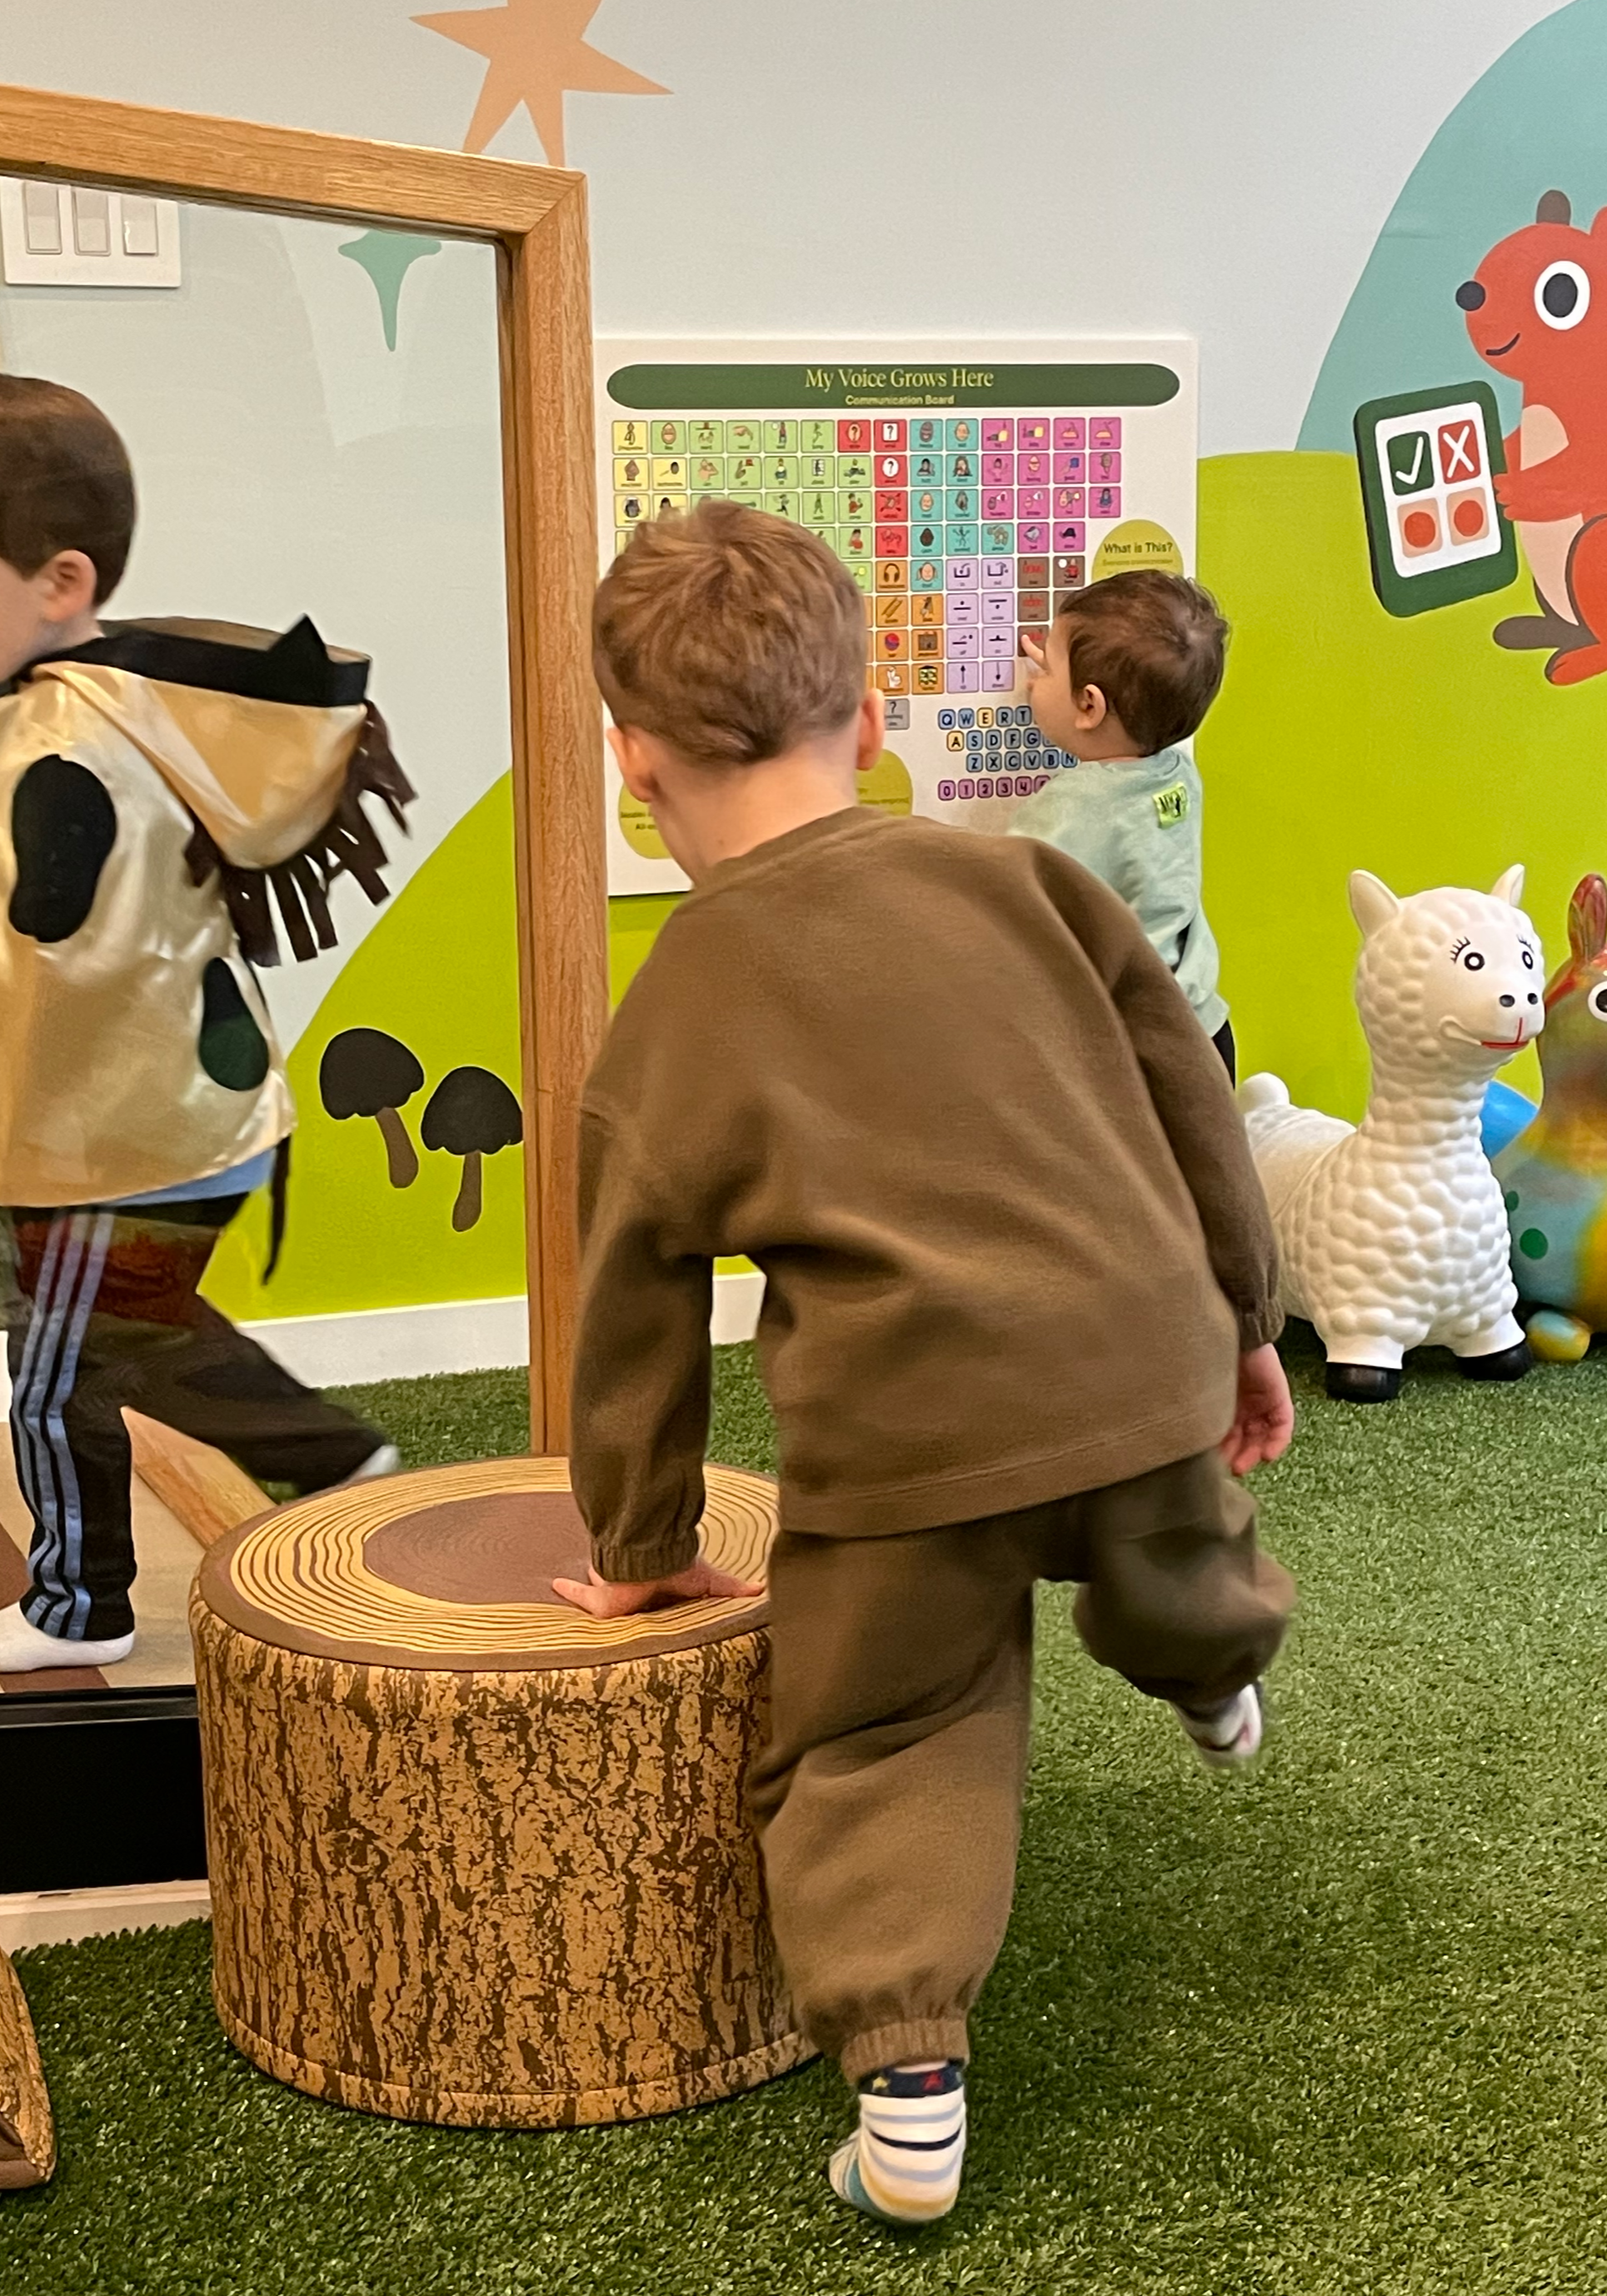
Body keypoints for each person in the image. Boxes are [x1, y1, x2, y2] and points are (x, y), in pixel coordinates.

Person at [556, 501, 1295, 2228]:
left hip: (902, 1441)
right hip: (1140, 1361)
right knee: (1171, 1540)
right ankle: (1204, 1660)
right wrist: (1245, 1319)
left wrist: (642, 1539)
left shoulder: (672, 1007)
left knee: (885, 1732)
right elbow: (1191, 1094)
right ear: (873, 719)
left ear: (631, 761)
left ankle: (905, 2085)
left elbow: (631, 1303)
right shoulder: (1020, 878)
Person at [0, 377, 414, 1676]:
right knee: (107, 1339)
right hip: (171, 1112)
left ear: (61, 582)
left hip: (121, 1134)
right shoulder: (110, 704)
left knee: (66, 1369)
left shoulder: (61, 743)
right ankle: (331, 1460)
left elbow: (53, 946)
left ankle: (83, 1605)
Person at [1012, 570, 1239, 1080]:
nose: (1034, 677)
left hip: (1138, 1050)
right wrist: (1064, 675)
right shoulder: (1178, 772)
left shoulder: (1072, 808)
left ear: (1089, 705)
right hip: (1204, 1028)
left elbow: (1001, 890)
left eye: (1047, 670)